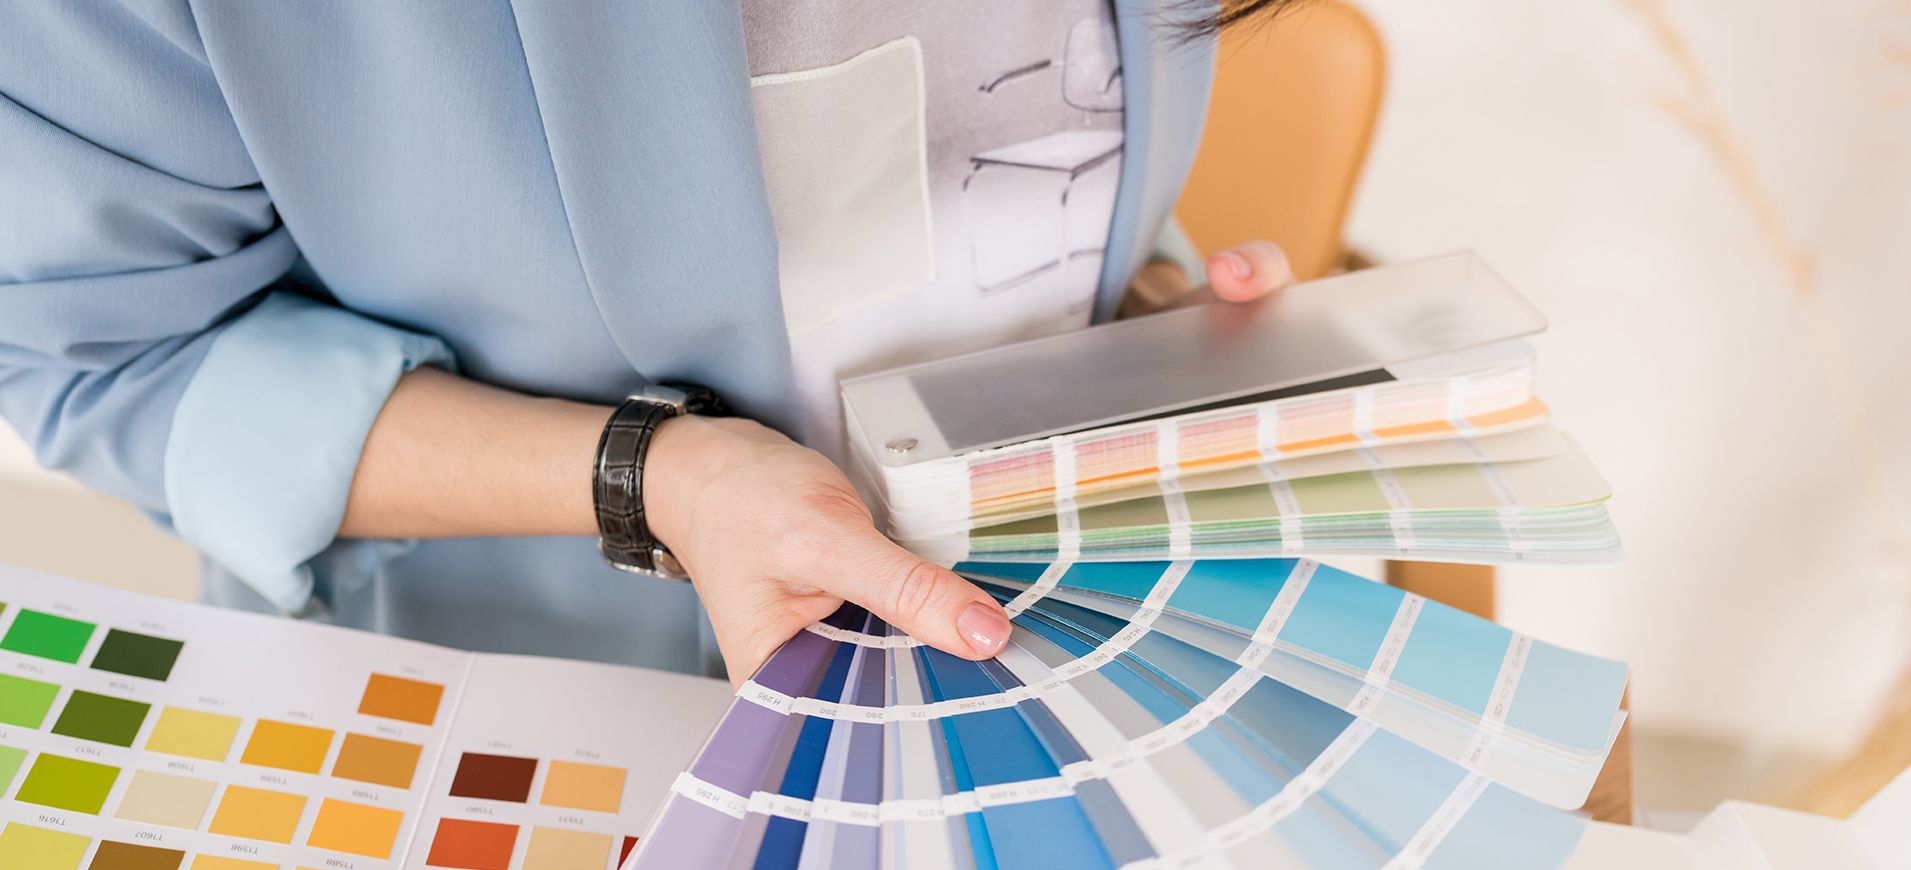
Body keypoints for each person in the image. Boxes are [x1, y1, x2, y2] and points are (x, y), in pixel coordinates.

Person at [0, 3, 1291, 685]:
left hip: (1053, 652)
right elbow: (115, 365)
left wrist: (1141, 325)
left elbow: (993, 155)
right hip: (522, 721)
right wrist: (656, 479)